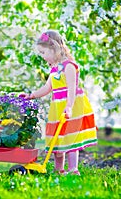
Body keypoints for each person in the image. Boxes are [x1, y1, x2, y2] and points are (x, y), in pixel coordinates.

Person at [21, 30, 97, 175]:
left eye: (43, 52)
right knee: (57, 137)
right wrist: (31, 95)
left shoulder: (69, 66)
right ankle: (58, 169)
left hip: (71, 105)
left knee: (70, 136)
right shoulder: (54, 69)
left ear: (54, 48)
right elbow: (47, 88)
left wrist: (69, 107)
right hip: (57, 106)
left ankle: (73, 169)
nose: (42, 57)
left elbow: (72, 89)